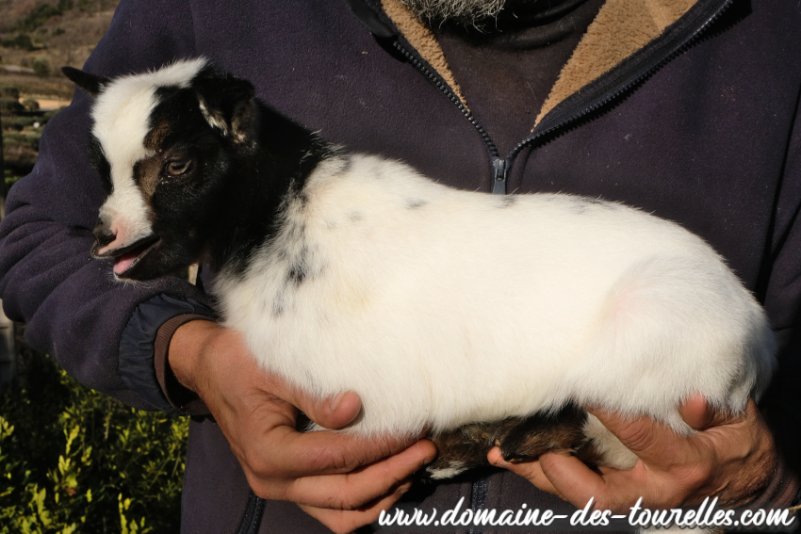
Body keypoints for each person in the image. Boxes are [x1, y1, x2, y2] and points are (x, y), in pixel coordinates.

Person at [0, 0, 799, 532]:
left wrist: (768, 482)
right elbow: (39, 232)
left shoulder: (773, 40)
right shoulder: (200, 23)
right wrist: (188, 352)